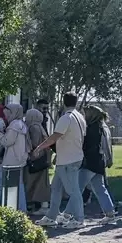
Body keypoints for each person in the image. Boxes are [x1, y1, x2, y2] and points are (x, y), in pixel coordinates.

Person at [33, 92, 88, 228]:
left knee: (73, 190)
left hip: (68, 160)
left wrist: (40, 147)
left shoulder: (66, 118)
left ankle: (79, 219)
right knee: (56, 189)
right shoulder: (80, 117)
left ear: (64, 102)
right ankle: (51, 217)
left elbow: (55, 136)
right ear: (76, 102)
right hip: (70, 158)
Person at [79, 104, 117, 221]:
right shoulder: (100, 127)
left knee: (77, 188)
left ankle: (68, 214)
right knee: (100, 188)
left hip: (90, 162)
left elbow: (86, 146)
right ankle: (110, 213)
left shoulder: (91, 129)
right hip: (98, 162)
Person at [0, 103, 29, 211]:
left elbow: (7, 142)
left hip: (10, 161)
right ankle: (21, 210)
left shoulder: (14, 125)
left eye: (7, 114)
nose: (6, 117)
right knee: (18, 185)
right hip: (18, 159)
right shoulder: (21, 124)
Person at [23, 108, 51, 212]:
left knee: (32, 182)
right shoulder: (40, 126)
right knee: (42, 183)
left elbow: (34, 143)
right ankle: (43, 204)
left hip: (35, 158)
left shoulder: (33, 127)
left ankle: (35, 205)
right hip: (42, 158)